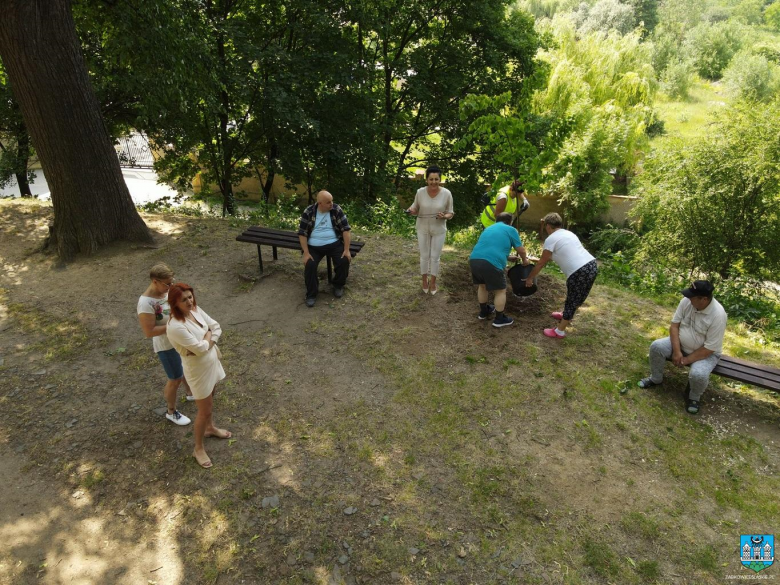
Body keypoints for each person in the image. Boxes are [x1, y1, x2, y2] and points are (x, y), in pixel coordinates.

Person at [166, 283, 231, 468]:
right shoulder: (176, 326)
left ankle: (210, 428)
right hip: (198, 371)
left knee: (212, 396)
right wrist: (208, 336)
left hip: (211, 362)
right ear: (174, 303)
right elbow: (200, 348)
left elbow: (216, 327)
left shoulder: (195, 309)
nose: (189, 301)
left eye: (190, 297)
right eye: (183, 299)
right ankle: (198, 448)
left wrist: (207, 338)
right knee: (205, 410)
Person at [638, 280, 727, 415]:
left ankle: (694, 397)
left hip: (704, 354)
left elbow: (709, 349)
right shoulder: (686, 302)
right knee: (656, 347)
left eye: (692, 296)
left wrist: (685, 360)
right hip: (680, 344)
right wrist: (677, 351)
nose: (688, 298)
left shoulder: (718, 315)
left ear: (704, 299)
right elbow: (674, 326)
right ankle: (656, 379)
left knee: (698, 374)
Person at [524, 213, 598, 339]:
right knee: (578, 297)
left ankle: (560, 331)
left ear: (548, 226)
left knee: (572, 300)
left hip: (579, 271)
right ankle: (565, 315)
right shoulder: (568, 234)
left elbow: (542, 262)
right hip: (591, 265)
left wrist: (530, 278)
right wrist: (533, 259)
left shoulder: (551, 239)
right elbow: (552, 257)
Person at [136, 263, 193, 427]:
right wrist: (175, 326)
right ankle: (171, 411)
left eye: (171, 282)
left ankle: (190, 392)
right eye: (167, 283)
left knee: (185, 366)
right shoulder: (146, 303)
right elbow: (149, 331)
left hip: (179, 340)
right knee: (174, 378)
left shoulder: (166, 292)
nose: (170, 286)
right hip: (166, 346)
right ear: (155, 281)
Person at [469, 212, 529, 328]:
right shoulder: (510, 229)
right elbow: (521, 250)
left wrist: (507, 257)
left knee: (482, 286)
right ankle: (499, 319)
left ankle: (484, 312)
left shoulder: (488, 229)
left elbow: (490, 247)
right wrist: (525, 260)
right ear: (510, 222)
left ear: (497, 220)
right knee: (500, 290)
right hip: (491, 263)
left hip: (474, 259)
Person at [297, 190, 352, 307]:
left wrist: (347, 250)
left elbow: (345, 230)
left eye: (332, 201)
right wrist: (306, 253)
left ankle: (338, 285)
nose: (331, 204)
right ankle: (311, 294)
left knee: (343, 260)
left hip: (334, 243)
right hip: (314, 246)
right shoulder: (309, 212)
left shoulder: (336, 210)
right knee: (310, 264)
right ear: (320, 203)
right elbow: (302, 233)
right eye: (328, 202)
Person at [406, 165, 454, 295]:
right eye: (431, 179)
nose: (434, 182)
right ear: (426, 180)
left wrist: (444, 216)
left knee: (435, 257)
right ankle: (424, 281)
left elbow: (450, 213)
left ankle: (433, 282)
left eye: (436, 179)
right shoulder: (420, 192)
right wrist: (411, 211)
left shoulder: (447, 193)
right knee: (424, 256)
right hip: (422, 228)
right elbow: (415, 208)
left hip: (439, 230)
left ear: (440, 179)